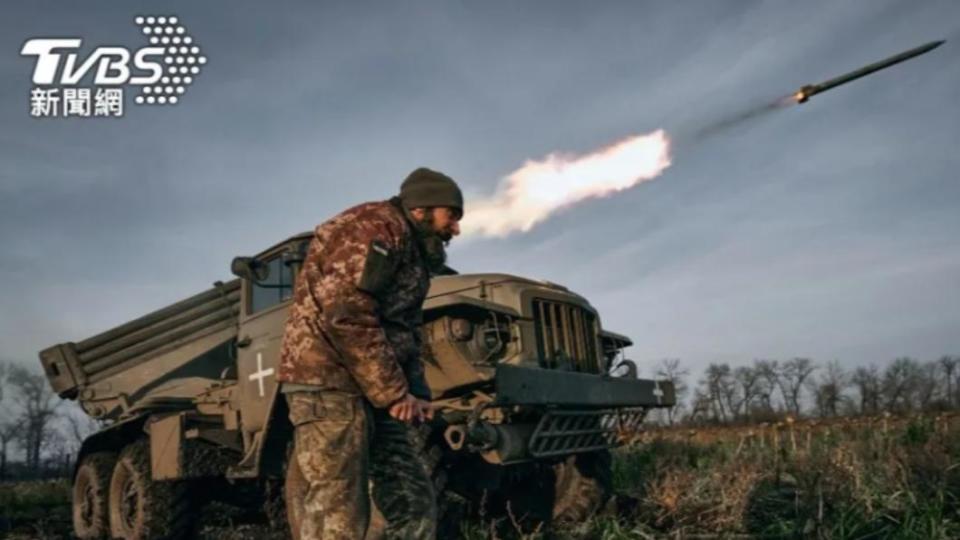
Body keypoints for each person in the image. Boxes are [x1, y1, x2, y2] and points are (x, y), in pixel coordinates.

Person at [277, 167, 463, 539]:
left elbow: (405, 328)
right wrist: (394, 393)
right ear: (422, 209)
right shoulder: (372, 229)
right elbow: (347, 315)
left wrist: (416, 394)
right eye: (452, 215)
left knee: (413, 502)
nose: (456, 229)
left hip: (374, 390)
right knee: (338, 510)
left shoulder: (413, 249)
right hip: (329, 383)